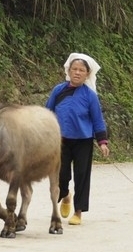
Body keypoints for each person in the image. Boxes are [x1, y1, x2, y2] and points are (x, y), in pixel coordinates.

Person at [45, 53, 110, 226]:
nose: (77, 72)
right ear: (68, 70)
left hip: (83, 141)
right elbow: (47, 113)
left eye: (82, 70)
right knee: (61, 174)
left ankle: (78, 212)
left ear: (87, 74)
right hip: (61, 141)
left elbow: (97, 119)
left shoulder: (90, 96)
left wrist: (102, 142)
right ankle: (66, 195)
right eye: (74, 69)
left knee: (82, 176)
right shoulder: (58, 90)